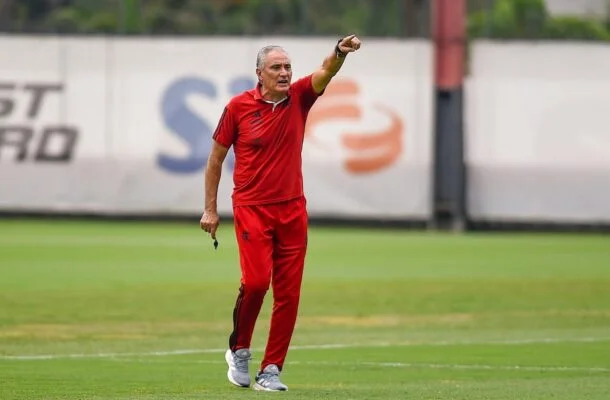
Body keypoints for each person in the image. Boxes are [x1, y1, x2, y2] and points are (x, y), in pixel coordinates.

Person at [200, 34, 362, 392]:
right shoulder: (238, 107)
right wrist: (210, 209)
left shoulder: (300, 98)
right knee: (257, 283)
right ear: (260, 74)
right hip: (251, 209)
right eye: (277, 67)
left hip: (292, 210)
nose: (285, 73)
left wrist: (339, 52)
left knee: (289, 293)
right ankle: (238, 348)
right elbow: (215, 159)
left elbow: (326, 71)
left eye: (288, 66)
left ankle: (271, 369)